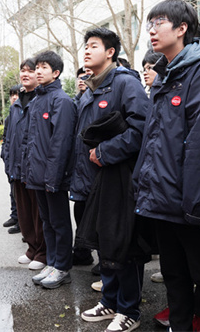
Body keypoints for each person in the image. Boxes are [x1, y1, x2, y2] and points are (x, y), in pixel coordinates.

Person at [133, 0, 200, 331]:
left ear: (181, 28)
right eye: (150, 23)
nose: (151, 30)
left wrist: (195, 204)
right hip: (163, 199)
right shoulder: (164, 75)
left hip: (191, 204)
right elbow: (152, 139)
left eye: (159, 22)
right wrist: (142, 185)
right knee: (174, 278)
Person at [72, 27, 150, 332]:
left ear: (110, 52)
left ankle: (129, 309)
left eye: (93, 46)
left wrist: (106, 152)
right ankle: (110, 300)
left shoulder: (125, 83)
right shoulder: (91, 88)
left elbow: (141, 128)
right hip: (95, 179)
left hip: (119, 178)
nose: (87, 51)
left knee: (123, 245)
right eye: (86, 46)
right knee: (105, 244)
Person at [24, 50, 77, 289]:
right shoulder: (37, 100)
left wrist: (53, 177)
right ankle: (53, 262)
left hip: (53, 177)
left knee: (59, 222)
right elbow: (32, 141)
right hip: (38, 176)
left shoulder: (61, 101)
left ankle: (62, 267)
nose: (38, 71)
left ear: (56, 73)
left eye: (44, 67)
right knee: (47, 221)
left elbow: (61, 143)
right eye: (37, 67)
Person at [1, 58, 47, 271]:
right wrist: (8, 161)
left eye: (31, 70)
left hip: (34, 168)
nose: (26, 74)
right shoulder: (16, 105)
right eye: (23, 71)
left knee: (39, 213)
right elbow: (9, 137)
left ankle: (43, 252)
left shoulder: (41, 100)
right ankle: (32, 248)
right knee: (24, 212)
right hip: (17, 168)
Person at [72, 67, 94, 267]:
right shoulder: (75, 102)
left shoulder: (96, 98)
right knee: (79, 208)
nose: (81, 80)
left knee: (97, 213)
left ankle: (104, 260)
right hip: (79, 165)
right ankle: (81, 251)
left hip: (94, 162)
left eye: (85, 77)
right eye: (79, 78)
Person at [1, 84, 22, 234]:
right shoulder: (10, 116)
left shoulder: (24, 113)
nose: (14, 97)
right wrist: (5, 154)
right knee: (12, 190)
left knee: (20, 193)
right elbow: (5, 138)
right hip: (10, 159)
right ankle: (15, 216)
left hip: (20, 160)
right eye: (12, 94)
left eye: (17, 94)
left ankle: (22, 222)